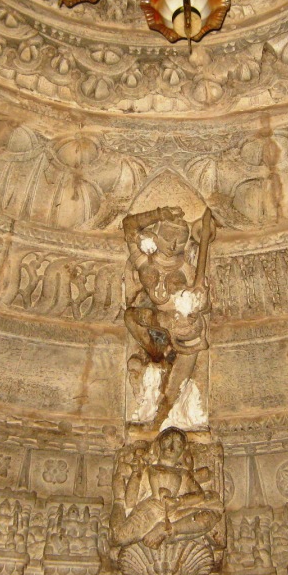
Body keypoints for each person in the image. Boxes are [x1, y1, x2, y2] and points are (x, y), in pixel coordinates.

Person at [122, 207, 214, 429]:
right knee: (132, 316)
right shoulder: (144, 261)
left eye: (180, 241)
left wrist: (199, 300)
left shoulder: (187, 269)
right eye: (168, 237)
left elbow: (203, 303)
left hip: (183, 328)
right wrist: (159, 214)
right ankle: (156, 355)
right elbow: (129, 226)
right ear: (156, 235)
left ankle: (161, 418)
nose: (173, 245)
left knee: (174, 385)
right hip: (157, 323)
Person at [110, 428, 222, 550]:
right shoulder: (149, 469)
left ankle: (167, 530)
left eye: (178, 444)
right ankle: (168, 532)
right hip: (151, 510)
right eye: (167, 441)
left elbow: (199, 495)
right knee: (117, 537)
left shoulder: (183, 473)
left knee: (208, 517)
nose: (171, 448)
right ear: (158, 445)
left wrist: (178, 501)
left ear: (183, 451)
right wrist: (135, 475)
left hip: (174, 513)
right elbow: (130, 501)